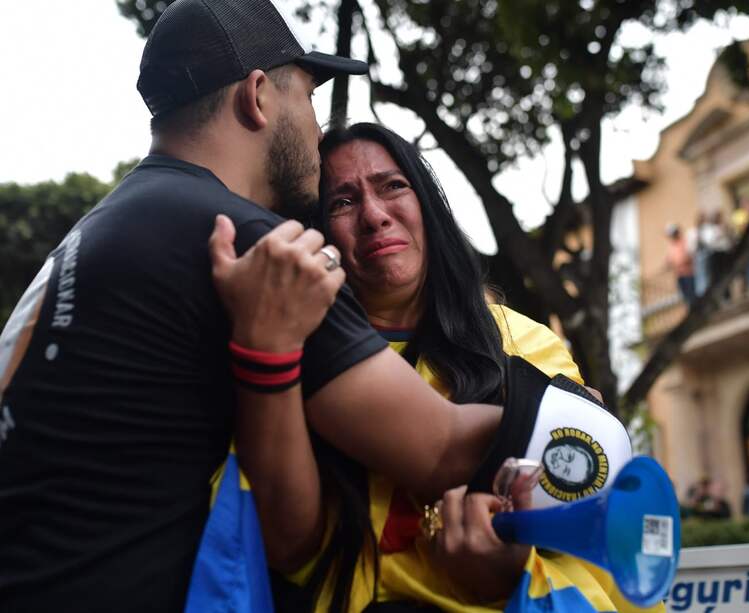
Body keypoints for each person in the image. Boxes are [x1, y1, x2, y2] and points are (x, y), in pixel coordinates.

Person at [0, 1, 506, 609]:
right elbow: (440, 449)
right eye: (309, 99)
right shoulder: (242, 242)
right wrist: (580, 420)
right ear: (259, 95)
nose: (317, 131)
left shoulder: (114, 221)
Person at [283, 123, 658, 612]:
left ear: (428, 205)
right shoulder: (295, 348)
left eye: (393, 186)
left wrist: (510, 574)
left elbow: (590, 519)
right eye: (343, 202)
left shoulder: (524, 343)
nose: (374, 216)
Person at [665, 223, 696, 304]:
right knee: (685, 296)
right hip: (679, 275)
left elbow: (690, 255)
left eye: (674, 233)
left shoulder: (685, 242)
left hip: (689, 273)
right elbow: (670, 259)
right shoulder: (672, 245)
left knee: (692, 295)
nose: (673, 236)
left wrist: (681, 261)